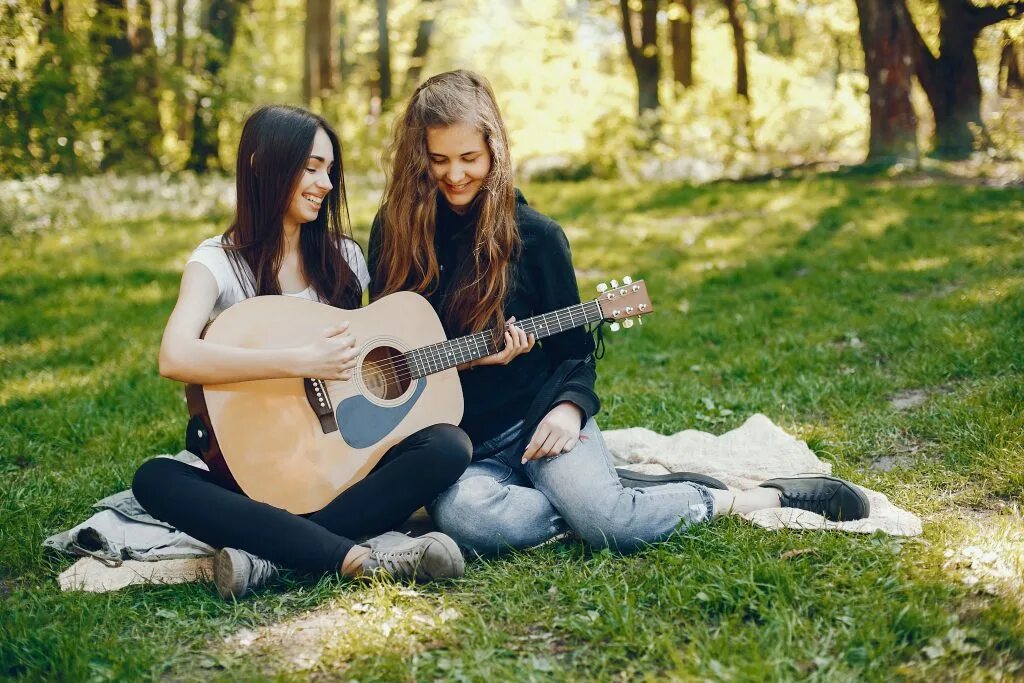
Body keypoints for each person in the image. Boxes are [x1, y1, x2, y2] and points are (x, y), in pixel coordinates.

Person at [368, 70, 870, 557]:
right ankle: (607, 504)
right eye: (438, 160)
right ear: (418, 157)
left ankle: (754, 497)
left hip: (538, 418)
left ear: (495, 151)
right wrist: (467, 362)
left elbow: (575, 353)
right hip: (456, 444)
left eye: (469, 158)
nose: (455, 175)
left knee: (604, 520)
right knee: (470, 520)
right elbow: (381, 347)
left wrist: (569, 410)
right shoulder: (395, 236)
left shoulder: (537, 237)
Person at [132, 105, 471, 599]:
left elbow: (384, 354)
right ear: (263, 166)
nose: (326, 183)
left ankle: (270, 554)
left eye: (329, 170)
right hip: (251, 468)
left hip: (335, 469)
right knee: (155, 479)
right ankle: (352, 557)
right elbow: (175, 356)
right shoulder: (216, 263)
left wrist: (484, 351)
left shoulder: (345, 258)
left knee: (448, 445)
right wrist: (300, 360)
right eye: (311, 167)